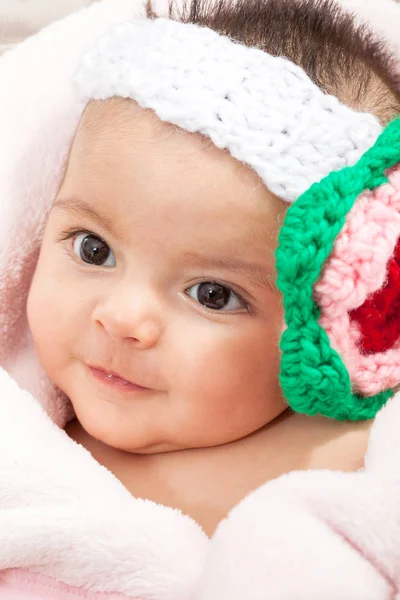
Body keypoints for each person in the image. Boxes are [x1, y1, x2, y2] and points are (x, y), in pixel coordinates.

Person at [1, 0, 400, 598]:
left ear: (323, 338)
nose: (122, 317)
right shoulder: (23, 419)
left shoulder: (346, 465)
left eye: (212, 295)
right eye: (93, 250)